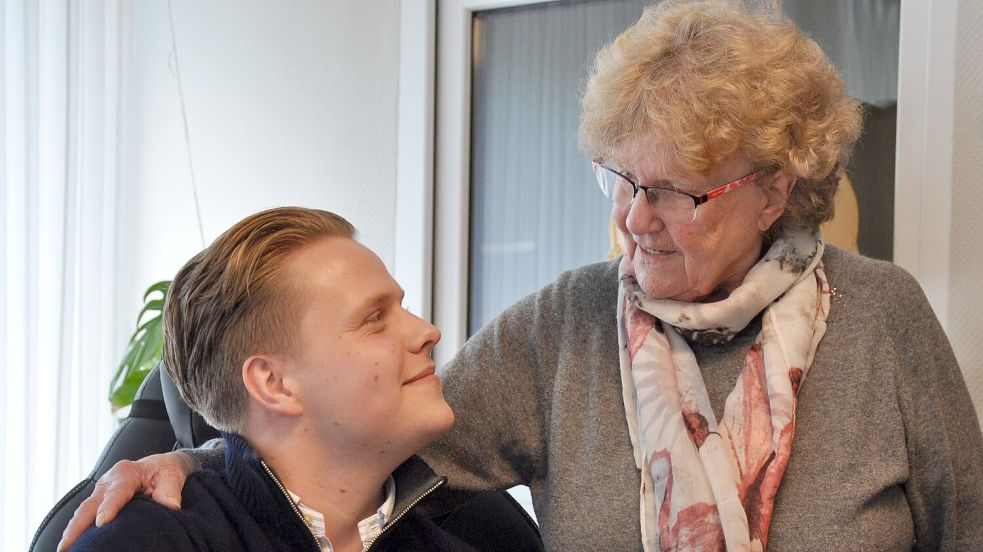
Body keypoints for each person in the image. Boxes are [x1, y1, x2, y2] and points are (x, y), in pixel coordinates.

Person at [60, 1, 983, 550]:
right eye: (620, 179)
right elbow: (351, 442)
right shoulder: (564, 327)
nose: (630, 219)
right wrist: (193, 457)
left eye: (673, 194)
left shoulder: (879, 316)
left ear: (773, 189)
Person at [70, 207, 476, 551]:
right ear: (274, 384)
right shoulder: (147, 541)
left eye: (402, 309)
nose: (428, 331)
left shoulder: (469, 534)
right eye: (374, 319)